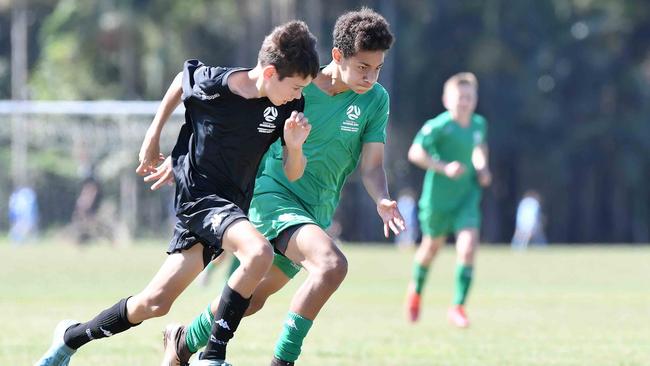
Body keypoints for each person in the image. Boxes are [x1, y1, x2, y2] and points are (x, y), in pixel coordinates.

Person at [34, 20, 319, 366]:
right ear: (271, 72)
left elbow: (294, 172)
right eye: (296, 86)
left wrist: (295, 146)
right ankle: (213, 356)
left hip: (229, 210)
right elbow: (179, 83)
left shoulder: (289, 108)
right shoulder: (216, 84)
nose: (300, 95)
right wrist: (152, 137)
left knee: (154, 303)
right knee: (258, 252)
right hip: (201, 200)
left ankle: (68, 339)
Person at [156, 8, 403, 366]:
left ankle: (181, 341)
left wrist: (382, 198)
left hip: (315, 209)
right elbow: (234, 120)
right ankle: (283, 361)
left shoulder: (375, 100)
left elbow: (373, 165)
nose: (370, 76)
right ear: (337, 56)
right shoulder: (297, 87)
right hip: (272, 193)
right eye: (363, 67)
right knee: (331, 265)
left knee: (251, 299)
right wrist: (185, 157)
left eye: (377, 68)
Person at [405, 72, 491, 328]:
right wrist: (443, 167)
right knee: (431, 249)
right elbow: (414, 152)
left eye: (469, 97)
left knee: (467, 247)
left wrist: (483, 168)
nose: (465, 102)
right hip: (438, 201)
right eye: (460, 97)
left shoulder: (478, 124)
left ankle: (458, 307)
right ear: (446, 99)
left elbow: (479, 148)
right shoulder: (439, 126)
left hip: (467, 196)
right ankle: (416, 290)